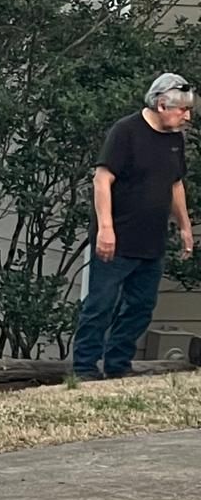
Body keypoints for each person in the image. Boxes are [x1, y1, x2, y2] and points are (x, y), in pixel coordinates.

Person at [72, 74, 195, 381]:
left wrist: (184, 227)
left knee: (140, 307)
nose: (187, 116)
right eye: (182, 110)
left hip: (151, 241)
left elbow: (175, 184)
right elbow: (102, 180)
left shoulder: (174, 140)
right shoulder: (125, 132)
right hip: (116, 240)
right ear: (161, 103)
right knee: (100, 305)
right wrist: (106, 228)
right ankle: (85, 368)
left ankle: (118, 364)